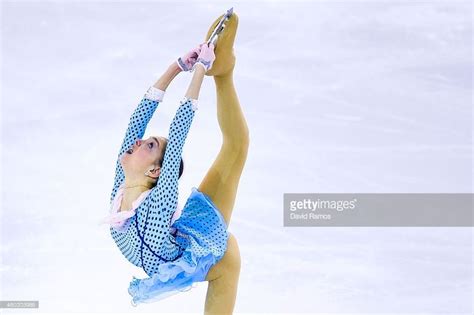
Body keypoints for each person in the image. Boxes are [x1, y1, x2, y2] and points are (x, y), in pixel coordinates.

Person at [101, 11, 248, 313]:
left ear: (156, 170)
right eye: (144, 142)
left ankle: (222, 73)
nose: (138, 141)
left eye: (149, 145)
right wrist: (178, 67)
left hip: (185, 245)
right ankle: (223, 72)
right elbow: (137, 120)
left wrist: (200, 72)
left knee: (236, 147)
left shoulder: (161, 198)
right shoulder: (123, 183)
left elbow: (178, 132)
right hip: (181, 253)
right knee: (229, 255)